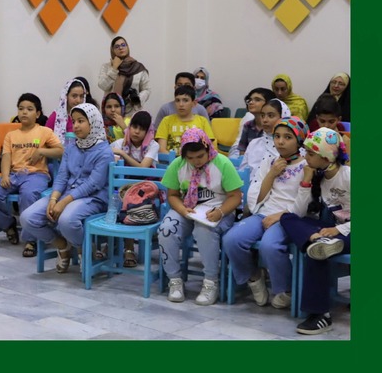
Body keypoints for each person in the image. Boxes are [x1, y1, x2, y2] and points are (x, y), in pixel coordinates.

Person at [223, 117, 309, 310]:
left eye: (288, 137)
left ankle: (286, 289)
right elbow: (256, 197)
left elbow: (303, 206)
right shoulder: (269, 161)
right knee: (231, 239)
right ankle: (254, 277)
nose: (280, 141)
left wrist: (280, 216)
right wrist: (271, 174)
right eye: (277, 136)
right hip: (263, 213)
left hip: (289, 218)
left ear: (299, 141)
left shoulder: (306, 167)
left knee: (270, 246)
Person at [20, 103, 112, 273]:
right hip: (66, 194)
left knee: (66, 220)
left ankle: (84, 248)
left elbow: (93, 184)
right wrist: (54, 199)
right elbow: (62, 176)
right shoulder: (71, 148)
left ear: (93, 123)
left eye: (81, 121)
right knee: (27, 218)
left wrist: (63, 203)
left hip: (93, 198)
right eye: (74, 121)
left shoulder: (105, 152)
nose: (75, 125)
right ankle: (62, 246)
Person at [159, 128, 244, 305]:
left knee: (203, 230)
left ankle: (211, 282)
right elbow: (172, 195)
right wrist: (182, 210)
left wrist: (220, 212)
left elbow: (235, 197)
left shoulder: (222, 163)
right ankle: (174, 280)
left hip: (219, 210)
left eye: (200, 156)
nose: (196, 161)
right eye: (190, 158)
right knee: (166, 229)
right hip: (188, 209)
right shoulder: (178, 164)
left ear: (208, 149)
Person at [279, 128, 350, 334]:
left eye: (310, 153)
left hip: (350, 231)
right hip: (327, 232)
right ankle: (315, 240)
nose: (305, 157)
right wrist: (305, 182)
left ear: (326, 157)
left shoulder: (349, 175)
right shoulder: (317, 176)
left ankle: (320, 316)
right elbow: (298, 212)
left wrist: (338, 230)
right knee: (287, 218)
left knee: (316, 253)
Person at [0, 93, 64, 256]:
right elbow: (6, 156)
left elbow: (61, 151)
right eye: (21, 109)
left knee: (28, 194)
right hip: (14, 174)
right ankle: (8, 225)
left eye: (29, 109)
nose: (24, 112)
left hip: (36, 175)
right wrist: (4, 175)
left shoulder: (44, 131)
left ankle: (30, 240)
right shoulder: (11, 135)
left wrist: (41, 151)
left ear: (38, 113)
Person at [110, 110, 160, 267]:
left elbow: (143, 169)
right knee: (115, 199)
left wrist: (123, 155)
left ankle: (129, 248)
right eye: (134, 127)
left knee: (130, 203)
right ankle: (116, 245)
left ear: (148, 132)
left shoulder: (153, 145)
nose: (136, 131)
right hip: (122, 188)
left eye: (141, 129)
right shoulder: (120, 143)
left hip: (146, 190)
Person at [155, 85, 215, 154]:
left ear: (194, 103)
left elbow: (209, 149)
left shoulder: (202, 121)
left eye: (185, 100)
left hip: (196, 159)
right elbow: (161, 149)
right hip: (172, 160)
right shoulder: (166, 121)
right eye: (177, 100)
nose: (181, 104)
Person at [97, 36, 151, 107]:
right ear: (112, 50)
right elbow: (103, 86)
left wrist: (137, 98)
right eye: (117, 46)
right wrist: (114, 68)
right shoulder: (106, 67)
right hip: (112, 109)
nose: (121, 48)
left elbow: (147, 89)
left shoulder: (138, 67)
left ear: (127, 47)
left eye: (123, 45)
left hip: (132, 109)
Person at [229, 87, 275, 159]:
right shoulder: (248, 125)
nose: (251, 102)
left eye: (257, 100)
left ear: (269, 103)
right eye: (249, 100)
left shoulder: (274, 125)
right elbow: (242, 151)